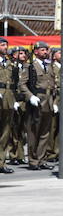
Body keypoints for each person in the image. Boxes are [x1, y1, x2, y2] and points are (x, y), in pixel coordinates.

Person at [19, 41, 56, 170]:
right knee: (33, 132)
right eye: (42, 50)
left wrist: (55, 102)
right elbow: (22, 84)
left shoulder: (49, 66)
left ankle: (42, 159)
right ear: (35, 52)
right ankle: (33, 160)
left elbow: (53, 85)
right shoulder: (30, 66)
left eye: (46, 50)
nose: (45, 52)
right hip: (37, 102)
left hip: (49, 102)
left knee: (45, 132)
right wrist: (30, 96)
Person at [0, 37, 14, 173]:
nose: (5, 47)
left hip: (8, 98)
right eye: (3, 45)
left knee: (5, 132)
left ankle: (1, 162)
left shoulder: (9, 62)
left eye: (6, 45)